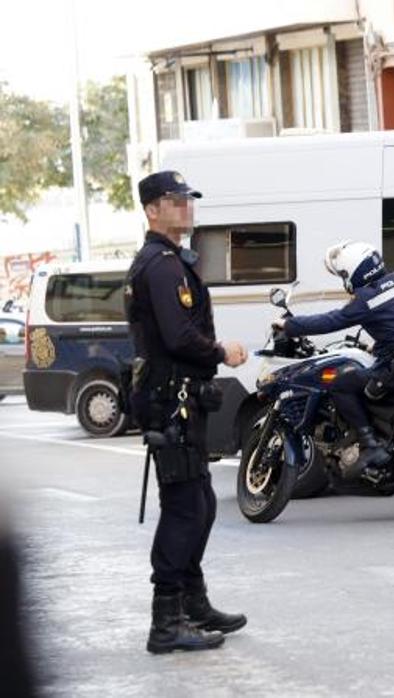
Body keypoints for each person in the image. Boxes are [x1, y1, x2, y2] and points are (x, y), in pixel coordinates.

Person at [125, 170, 249, 654]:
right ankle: (166, 621)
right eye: (175, 200)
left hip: (181, 398)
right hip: (168, 400)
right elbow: (178, 338)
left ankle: (193, 604)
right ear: (153, 209)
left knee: (202, 503)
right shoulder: (159, 265)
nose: (186, 207)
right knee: (184, 508)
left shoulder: (172, 260)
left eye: (187, 199)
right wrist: (221, 352)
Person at [273, 241, 394, 481]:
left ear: (353, 272)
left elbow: (331, 320)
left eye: (343, 274)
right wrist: (378, 345)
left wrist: (290, 325)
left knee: (341, 383)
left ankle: (370, 444)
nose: (344, 280)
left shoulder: (367, 299)